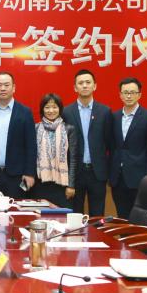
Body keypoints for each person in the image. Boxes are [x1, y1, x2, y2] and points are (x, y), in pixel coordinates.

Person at [0, 71, 36, 198]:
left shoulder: (25, 112)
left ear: (13, 88)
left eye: (6, 85)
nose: (3, 88)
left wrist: (29, 173)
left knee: (14, 208)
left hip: (16, 175)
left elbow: (31, 145)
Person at [62, 70, 112, 215]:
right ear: (75, 87)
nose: (84, 86)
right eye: (81, 83)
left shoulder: (105, 111)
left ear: (94, 86)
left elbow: (110, 143)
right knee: (75, 215)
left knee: (97, 215)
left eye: (88, 82)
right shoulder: (66, 112)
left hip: (97, 173)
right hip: (75, 173)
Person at [109, 77, 147, 219]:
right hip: (118, 177)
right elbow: (111, 146)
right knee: (122, 216)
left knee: (139, 219)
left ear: (139, 95)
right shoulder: (114, 116)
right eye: (125, 92)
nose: (129, 96)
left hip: (139, 178)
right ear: (120, 95)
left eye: (132, 92)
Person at [33, 94, 79, 209]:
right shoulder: (36, 128)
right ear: (42, 109)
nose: (51, 111)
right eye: (47, 107)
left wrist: (71, 185)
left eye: (54, 107)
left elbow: (73, 159)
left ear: (60, 109)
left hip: (62, 185)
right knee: (40, 216)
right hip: (40, 183)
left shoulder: (69, 129)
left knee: (62, 217)